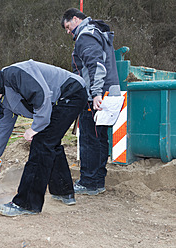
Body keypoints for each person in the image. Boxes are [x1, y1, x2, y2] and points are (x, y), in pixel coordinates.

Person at [0, 59, 87, 216]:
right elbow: (3, 128)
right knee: (49, 142)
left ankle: (27, 203)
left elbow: (43, 96)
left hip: (71, 92)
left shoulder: (15, 74)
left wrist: (35, 128)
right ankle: (63, 191)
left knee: (42, 143)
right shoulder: (4, 99)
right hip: (60, 100)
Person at [61, 8, 121, 195]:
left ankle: (89, 182)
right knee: (99, 138)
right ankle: (97, 180)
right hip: (108, 92)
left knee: (89, 139)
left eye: (68, 26)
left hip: (96, 96)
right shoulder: (97, 33)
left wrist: (95, 94)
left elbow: (96, 65)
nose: (68, 32)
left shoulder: (86, 37)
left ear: (76, 19)